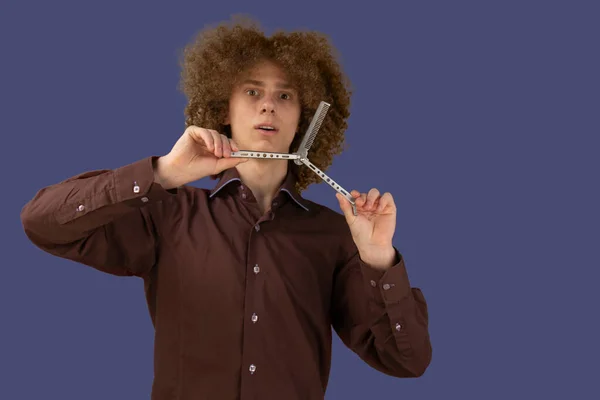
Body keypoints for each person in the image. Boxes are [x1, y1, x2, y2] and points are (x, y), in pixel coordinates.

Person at [21, 16, 432, 400]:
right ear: (224, 110)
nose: (268, 105)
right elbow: (42, 223)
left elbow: (406, 361)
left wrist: (379, 259)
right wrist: (162, 173)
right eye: (252, 92)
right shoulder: (168, 213)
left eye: (284, 95)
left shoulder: (337, 237)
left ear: (304, 120)